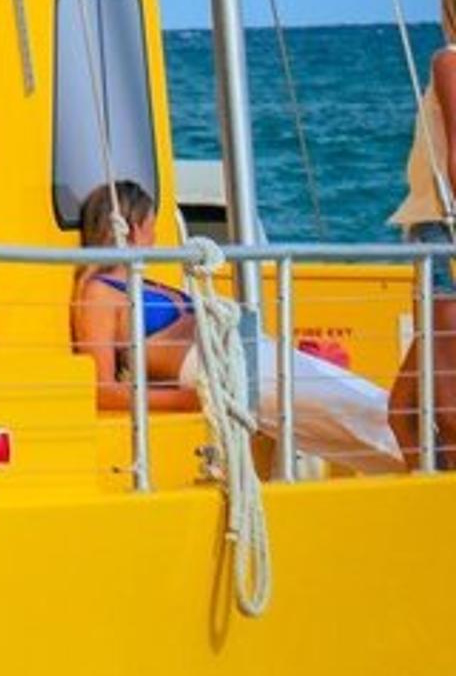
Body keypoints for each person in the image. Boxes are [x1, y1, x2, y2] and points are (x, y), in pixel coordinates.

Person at [71, 179, 402, 473]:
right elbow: (103, 390)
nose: (155, 236)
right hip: (221, 369)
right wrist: (186, 399)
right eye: (150, 225)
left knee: (352, 399)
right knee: (343, 408)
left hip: (244, 354)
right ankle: (422, 451)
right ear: (132, 227)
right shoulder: (99, 292)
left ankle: (420, 449)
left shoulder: (143, 282)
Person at [387, 0, 456, 467]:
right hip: (440, 227)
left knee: (416, 401)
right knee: (438, 396)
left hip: (439, 226)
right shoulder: (449, 61)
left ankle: (428, 484)